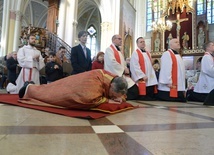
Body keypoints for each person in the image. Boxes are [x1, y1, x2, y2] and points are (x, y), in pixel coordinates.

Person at [18, 69, 128, 110]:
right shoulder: (95, 83)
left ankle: (32, 86)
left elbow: (120, 93)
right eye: (113, 94)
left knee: (52, 88)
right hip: (78, 86)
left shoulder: (114, 79)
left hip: (78, 82)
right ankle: (30, 89)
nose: (113, 96)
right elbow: (89, 98)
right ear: (112, 86)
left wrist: (118, 98)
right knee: (53, 93)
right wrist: (109, 100)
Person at [104, 34, 139, 100]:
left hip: (121, 74)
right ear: (114, 40)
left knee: (134, 89)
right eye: (119, 39)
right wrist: (123, 69)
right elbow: (112, 62)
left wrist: (125, 68)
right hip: (114, 75)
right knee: (132, 91)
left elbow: (123, 63)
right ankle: (119, 96)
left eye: (121, 39)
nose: (121, 41)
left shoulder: (119, 51)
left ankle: (121, 96)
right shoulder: (109, 50)